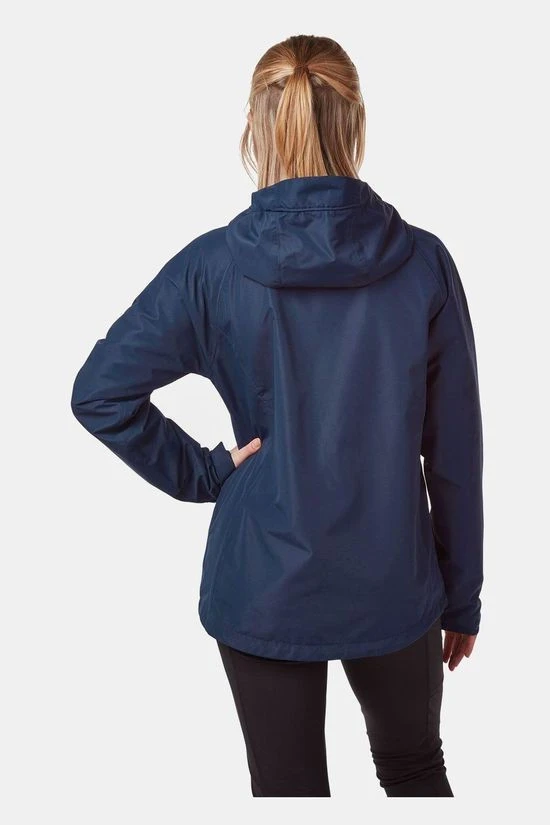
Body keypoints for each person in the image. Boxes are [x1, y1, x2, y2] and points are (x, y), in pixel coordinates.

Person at [70, 34, 483, 798]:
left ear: (256, 126)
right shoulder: (423, 263)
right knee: (416, 773)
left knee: (288, 794)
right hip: (392, 579)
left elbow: (100, 391)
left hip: (263, 579)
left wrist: (209, 473)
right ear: (355, 121)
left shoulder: (212, 267)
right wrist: (463, 594)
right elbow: (454, 451)